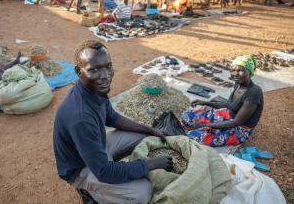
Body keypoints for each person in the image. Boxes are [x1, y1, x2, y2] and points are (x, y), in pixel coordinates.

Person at [53, 40, 173, 204]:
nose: (105, 76)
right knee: (143, 192)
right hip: (80, 167)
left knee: (143, 136)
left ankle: (111, 179)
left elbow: (112, 117)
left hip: (95, 149)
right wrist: (150, 164)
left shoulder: (95, 89)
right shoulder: (81, 117)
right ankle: (93, 193)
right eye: (93, 70)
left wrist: (150, 130)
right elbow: (104, 171)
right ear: (78, 71)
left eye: (107, 66)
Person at [181, 55, 263, 147]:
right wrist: (205, 102)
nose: (235, 74)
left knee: (194, 137)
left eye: (240, 70)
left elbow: (236, 122)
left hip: (238, 130)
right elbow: (229, 104)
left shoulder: (254, 93)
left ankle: (196, 130)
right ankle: (195, 128)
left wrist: (203, 125)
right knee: (186, 116)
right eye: (233, 70)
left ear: (250, 72)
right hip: (228, 117)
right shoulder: (238, 84)